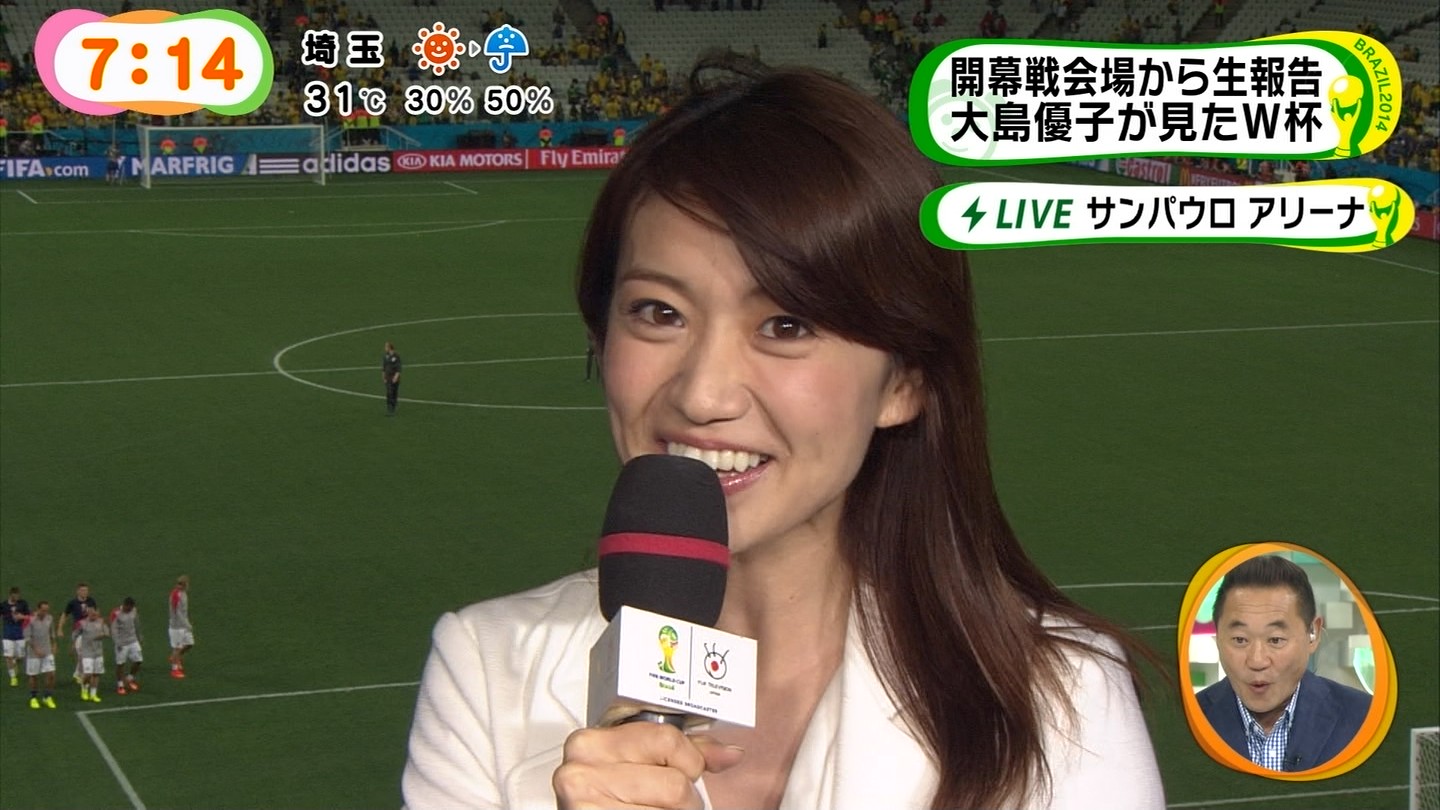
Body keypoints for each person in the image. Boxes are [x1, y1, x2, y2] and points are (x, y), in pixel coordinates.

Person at [402, 54, 1164, 809]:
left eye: (786, 325)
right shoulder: (488, 671)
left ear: (904, 382)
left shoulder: (1061, 702)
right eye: (659, 313)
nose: (702, 395)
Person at [1196, 555, 1372, 772]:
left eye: (1275, 640)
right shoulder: (1185, 720)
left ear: (1313, 634)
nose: (1257, 661)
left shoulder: (1363, 718)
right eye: (1240, 639)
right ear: (1218, 637)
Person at [58, 582, 96, 685]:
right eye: (82, 590)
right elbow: (64, 615)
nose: (85, 592)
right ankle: (81, 674)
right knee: (81, 654)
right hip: (78, 631)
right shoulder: (72, 603)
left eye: (86, 590)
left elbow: (96, 613)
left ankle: (77, 673)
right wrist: (60, 628)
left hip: (89, 631)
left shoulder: (91, 601)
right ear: (78, 591)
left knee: (87, 654)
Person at [24, 601, 57, 709]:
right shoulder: (29, 620)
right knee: (33, 675)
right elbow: (27, 637)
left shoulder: (49, 618)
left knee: (51, 674)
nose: (45, 612)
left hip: (47, 651)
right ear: (38, 609)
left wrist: (54, 644)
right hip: (34, 654)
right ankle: (33, 698)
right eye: (43, 610)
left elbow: (52, 633)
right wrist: (36, 649)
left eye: (47, 610)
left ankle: (47, 697)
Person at [109, 597, 143, 694]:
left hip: (133, 640)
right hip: (122, 643)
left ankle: (129, 679)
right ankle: (120, 685)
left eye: (131, 608)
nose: (130, 610)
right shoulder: (116, 613)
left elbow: (136, 622)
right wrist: (117, 642)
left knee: (138, 660)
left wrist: (139, 636)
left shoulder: (133, 610)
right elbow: (113, 629)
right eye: (129, 608)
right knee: (120, 664)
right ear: (125, 605)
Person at [76, 605, 109, 702]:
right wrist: (76, 646)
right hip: (87, 652)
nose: (94, 615)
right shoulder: (82, 623)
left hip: (98, 653)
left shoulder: (101, 622)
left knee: (96, 674)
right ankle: (84, 689)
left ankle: (93, 694)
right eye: (91, 613)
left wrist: (101, 635)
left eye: (95, 613)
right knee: (88, 674)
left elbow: (107, 633)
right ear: (88, 613)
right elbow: (75, 635)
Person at [2, 586, 31, 686]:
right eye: (16, 595)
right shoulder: (3, 605)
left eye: (18, 595)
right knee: (8, 656)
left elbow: (30, 617)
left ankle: (15, 660)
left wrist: (21, 617)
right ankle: (13, 677)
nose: (18, 597)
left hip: (20, 634)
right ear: (11, 595)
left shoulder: (23, 604)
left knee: (21, 657)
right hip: (7, 635)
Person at [168, 575, 194, 678]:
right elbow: (177, 612)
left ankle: (175, 657)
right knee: (177, 648)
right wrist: (186, 624)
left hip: (183, 624)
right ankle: (174, 669)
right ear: (184, 585)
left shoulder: (183, 593)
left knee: (190, 643)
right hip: (176, 626)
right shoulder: (176, 595)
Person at [383, 341, 403, 416]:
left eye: (386, 347)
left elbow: (398, 368)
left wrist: (396, 377)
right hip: (388, 377)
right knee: (389, 392)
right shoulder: (386, 356)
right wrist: (383, 377)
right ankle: (389, 408)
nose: (385, 348)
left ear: (389, 348)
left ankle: (393, 407)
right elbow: (384, 367)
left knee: (394, 392)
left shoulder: (396, 356)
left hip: (394, 378)